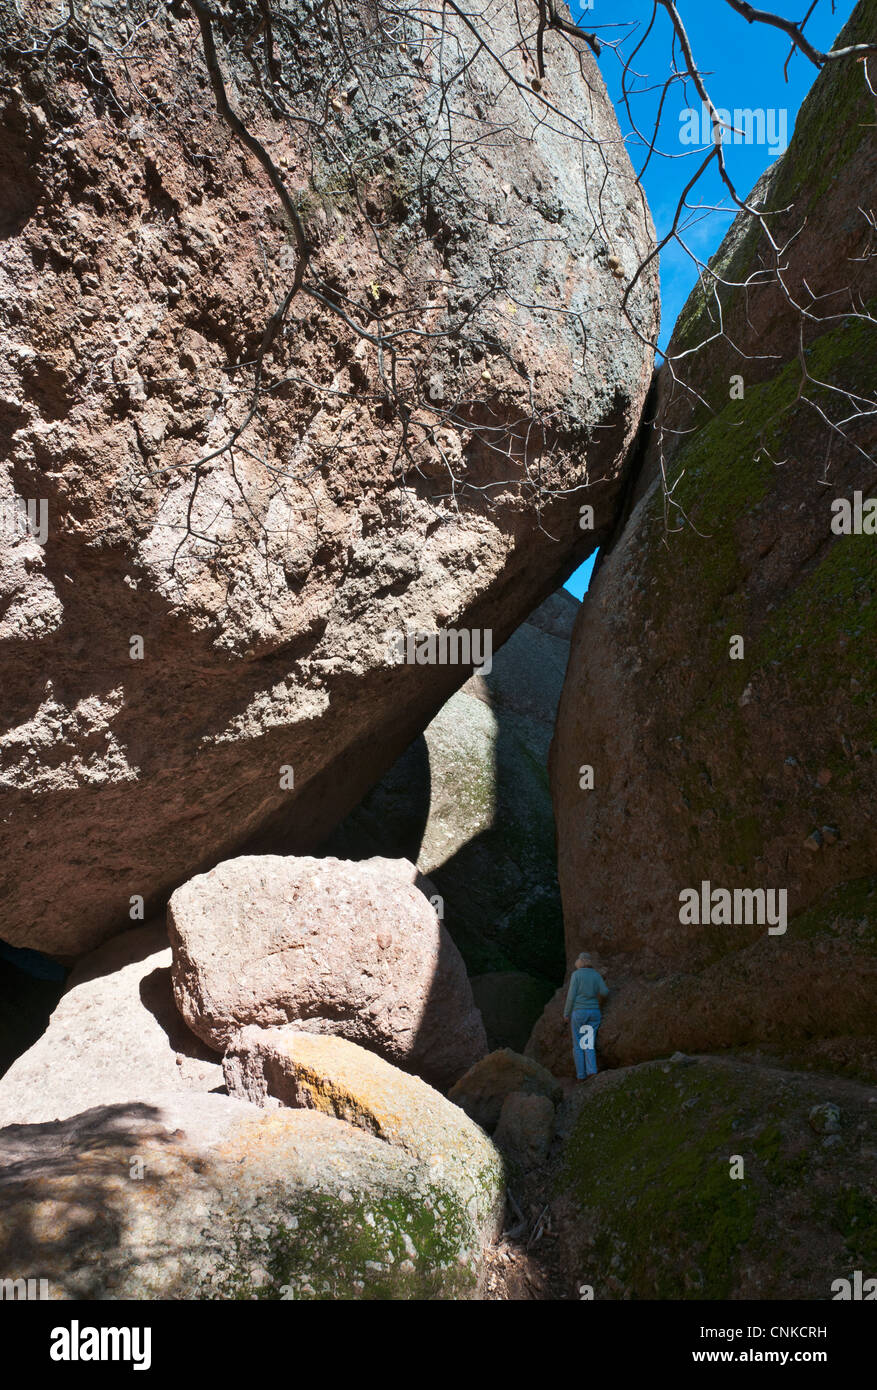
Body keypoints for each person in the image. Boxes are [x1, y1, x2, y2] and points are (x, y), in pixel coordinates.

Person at [563, 951, 609, 1081]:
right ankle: (592, 1071)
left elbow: (571, 996)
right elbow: (605, 992)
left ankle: (581, 1075)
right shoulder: (596, 975)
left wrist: (566, 1013)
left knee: (578, 1045)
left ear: (580, 961)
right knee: (588, 1044)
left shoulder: (576, 975)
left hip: (579, 1013)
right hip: (594, 1012)